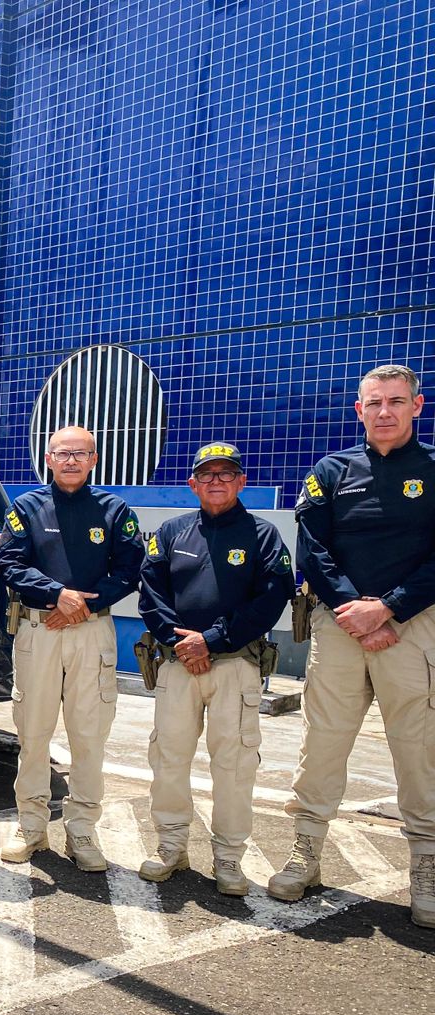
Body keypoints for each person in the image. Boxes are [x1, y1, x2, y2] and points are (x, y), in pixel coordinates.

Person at [274, 364, 435, 927]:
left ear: (417, 406)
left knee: (419, 748)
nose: (384, 411)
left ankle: (428, 867)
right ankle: (306, 853)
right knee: (323, 742)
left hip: (412, 626)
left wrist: (389, 607)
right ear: (358, 409)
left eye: (396, 401)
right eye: (374, 402)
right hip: (340, 624)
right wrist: (356, 611)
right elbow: (313, 547)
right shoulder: (331, 471)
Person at [136, 442, 293, 895]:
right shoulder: (170, 532)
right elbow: (151, 594)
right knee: (168, 759)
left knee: (234, 765)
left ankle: (228, 858)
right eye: (207, 475)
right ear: (193, 484)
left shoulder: (262, 536)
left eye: (227, 474)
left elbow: (271, 599)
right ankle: (171, 847)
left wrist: (213, 639)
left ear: (242, 482)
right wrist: (180, 640)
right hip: (177, 666)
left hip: (235, 666)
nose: (217, 481)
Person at [0, 426, 145, 870]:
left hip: (90, 634)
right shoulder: (26, 507)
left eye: (81, 454)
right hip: (39, 631)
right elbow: (9, 562)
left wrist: (79, 604)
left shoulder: (115, 510)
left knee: (89, 737)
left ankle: (82, 832)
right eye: (63, 453)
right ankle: (31, 827)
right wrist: (55, 593)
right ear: (48, 458)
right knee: (33, 734)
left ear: (95, 459)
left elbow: (130, 568)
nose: (71, 461)